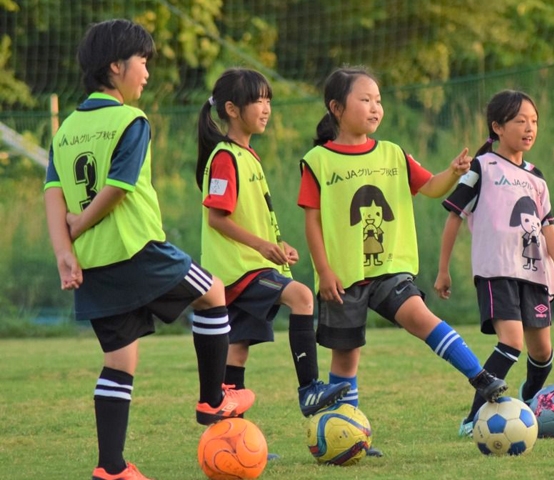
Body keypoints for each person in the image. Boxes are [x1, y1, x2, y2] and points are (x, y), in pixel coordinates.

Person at [43, 20, 254, 480]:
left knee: (120, 359)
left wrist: (65, 250)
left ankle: (112, 468)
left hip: (94, 262)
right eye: (142, 62)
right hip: (137, 249)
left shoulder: (66, 130)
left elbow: (54, 192)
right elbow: (118, 187)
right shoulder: (130, 121)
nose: (146, 73)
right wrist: (81, 221)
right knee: (214, 291)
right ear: (115, 66)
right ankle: (212, 399)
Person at [297, 66, 508, 455]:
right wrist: (325, 271)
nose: (375, 107)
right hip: (344, 277)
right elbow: (311, 220)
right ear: (336, 108)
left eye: (378, 100)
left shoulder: (392, 153)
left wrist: (453, 172)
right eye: (365, 99)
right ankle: (351, 436)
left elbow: (429, 187)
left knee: (420, 317)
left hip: (391, 268)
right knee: (346, 358)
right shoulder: (318, 160)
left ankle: (480, 377)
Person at [194, 68, 351, 425]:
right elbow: (217, 218)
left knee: (237, 349)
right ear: (232, 109)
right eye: (257, 101)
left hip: (252, 264)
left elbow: (246, 215)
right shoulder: (225, 157)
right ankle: (309, 388)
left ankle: (230, 432)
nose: (266, 108)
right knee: (301, 297)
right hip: (239, 268)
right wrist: (264, 248)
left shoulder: (247, 155)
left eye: (268, 100)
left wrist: (277, 244)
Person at [434, 89, 554, 437]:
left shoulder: (537, 176)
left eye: (534, 121)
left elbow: (548, 228)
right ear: (497, 127)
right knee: (511, 341)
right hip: (497, 270)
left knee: (542, 351)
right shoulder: (482, 167)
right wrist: (443, 269)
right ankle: (473, 418)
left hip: (536, 274)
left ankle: (530, 401)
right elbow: (454, 217)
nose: (529, 128)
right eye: (520, 121)